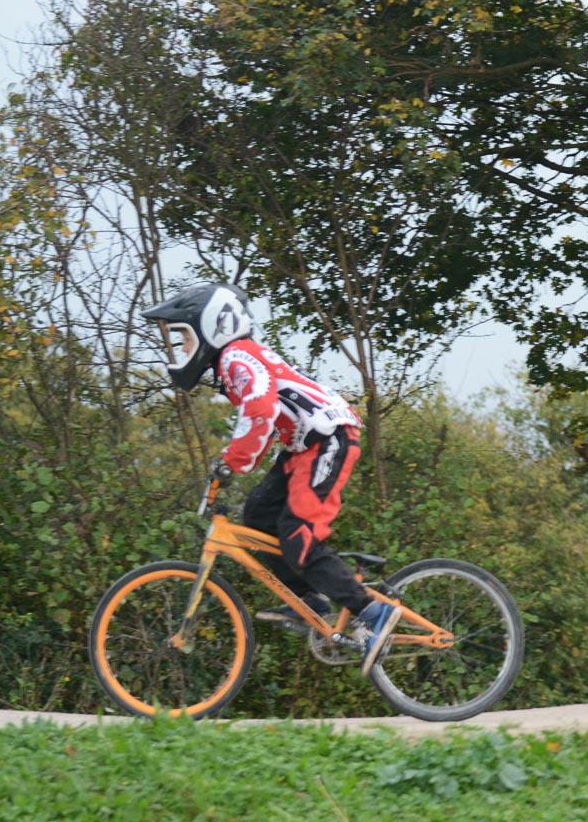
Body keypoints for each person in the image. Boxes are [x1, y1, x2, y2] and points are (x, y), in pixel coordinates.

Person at [141, 283, 401, 675]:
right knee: (259, 516)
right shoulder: (235, 362)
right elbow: (264, 424)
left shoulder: (237, 357)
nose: (182, 348)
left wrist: (231, 462)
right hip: (304, 445)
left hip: (328, 438)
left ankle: (372, 611)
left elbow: (260, 412)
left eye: (184, 337)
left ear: (211, 327)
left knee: (299, 536)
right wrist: (229, 467)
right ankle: (309, 601)